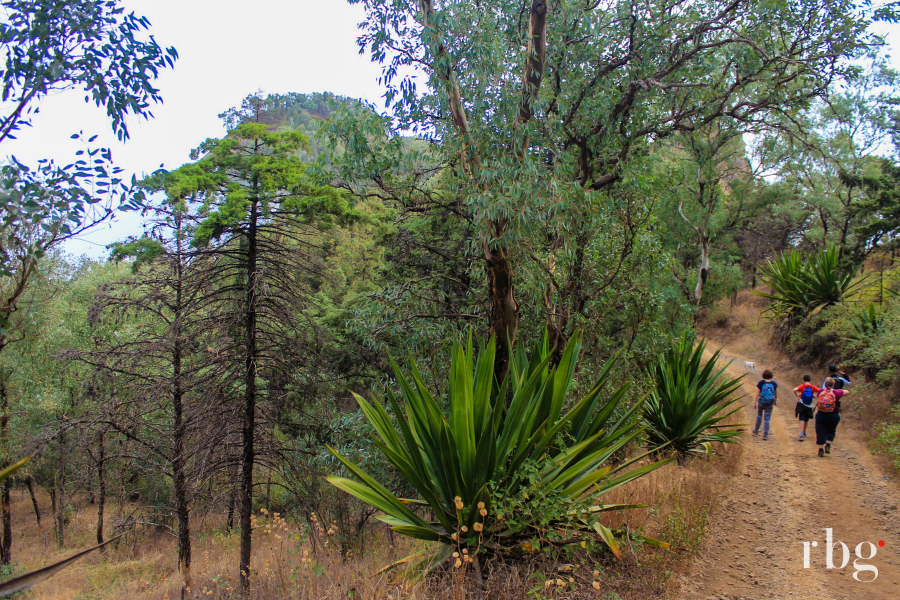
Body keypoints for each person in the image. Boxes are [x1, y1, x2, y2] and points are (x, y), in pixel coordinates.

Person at [814, 377, 849, 457]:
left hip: (821, 414)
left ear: (825, 384)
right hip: (833, 415)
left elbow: (816, 395)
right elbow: (847, 392)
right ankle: (828, 444)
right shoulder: (837, 392)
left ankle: (820, 449)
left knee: (820, 431)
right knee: (831, 430)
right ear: (833, 385)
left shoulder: (821, 391)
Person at [753, 369, 778, 440]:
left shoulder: (761, 383)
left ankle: (756, 430)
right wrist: (775, 401)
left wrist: (755, 402)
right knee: (767, 418)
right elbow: (775, 394)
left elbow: (758, 394)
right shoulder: (774, 384)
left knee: (759, 416)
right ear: (771, 376)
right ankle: (765, 435)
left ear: (763, 375)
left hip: (761, 402)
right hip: (770, 403)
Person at [793, 375, 819, 442]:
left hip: (802, 404)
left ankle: (801, 433)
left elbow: (794, 390)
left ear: (803, 380)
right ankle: (804, 431)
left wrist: (798, 396)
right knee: (806, 419)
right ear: (810, 380)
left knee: (802, 418)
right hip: (809, 405)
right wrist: (814, 396)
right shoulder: (813, 387)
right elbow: (820, 391)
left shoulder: (802, 386)